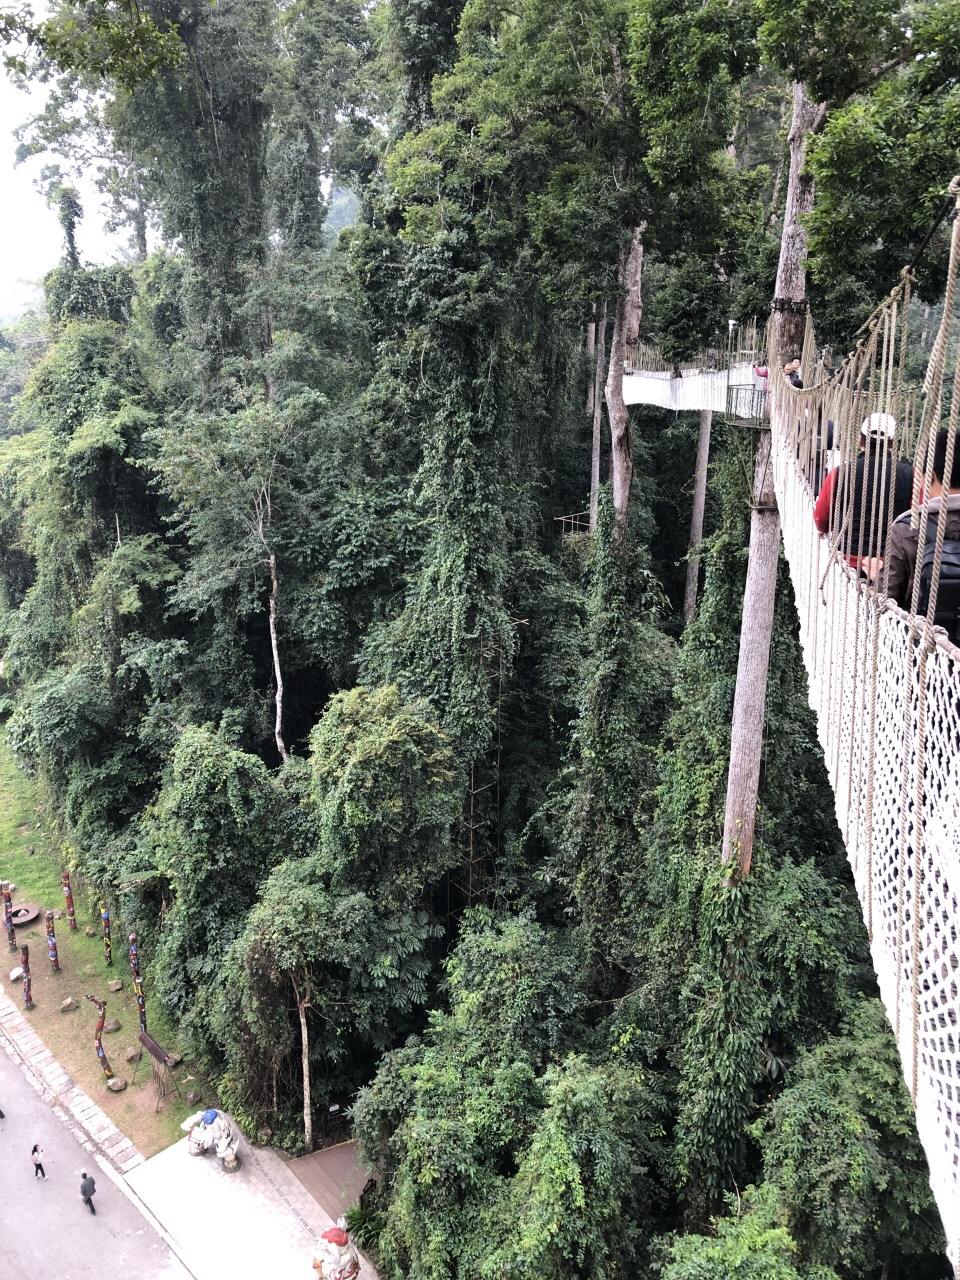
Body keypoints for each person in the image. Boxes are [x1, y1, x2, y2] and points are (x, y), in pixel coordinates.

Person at [814, 411, 914, 576]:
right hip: (892, 566)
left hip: (848, 563)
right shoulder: (911, 475)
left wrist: (825, 528)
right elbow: (920, 520)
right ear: (893, 444)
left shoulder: (840, 473)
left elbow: (822, 519)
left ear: (861, 441)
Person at [887, 428, 960, 641]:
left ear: (932, 476)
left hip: (923, 654)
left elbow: (888, 599)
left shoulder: (908, 527)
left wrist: (875, 576)